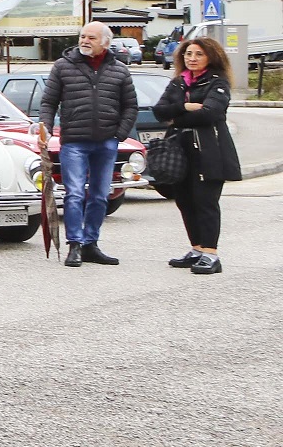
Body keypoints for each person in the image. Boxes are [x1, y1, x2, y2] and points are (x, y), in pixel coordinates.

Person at [38, 20, 140, 267]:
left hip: (106, 143)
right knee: (74, 194)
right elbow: (48, 102)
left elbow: (130, 106)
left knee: (99, 196)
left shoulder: (119, 70)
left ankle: (90, 243)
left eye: (91, 38)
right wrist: (45, 128)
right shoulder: (63, 67)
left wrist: (119, 134)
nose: (85, 41)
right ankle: (75, 245)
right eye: (82, 36)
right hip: (74, 142)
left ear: (105, 42)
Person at [152, 35, 240, 274]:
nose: (192, 58)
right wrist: (185, 107)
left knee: (205, 201)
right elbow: (159, 111)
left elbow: (210, 114)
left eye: (199, 54)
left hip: (208, 151)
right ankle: (197, 248)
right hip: (180, 151)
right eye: (189, 54)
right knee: (184, 200)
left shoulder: (218, 82)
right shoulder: (178, 82)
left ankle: (211, 254)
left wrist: (177, 115)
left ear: (211, 57)